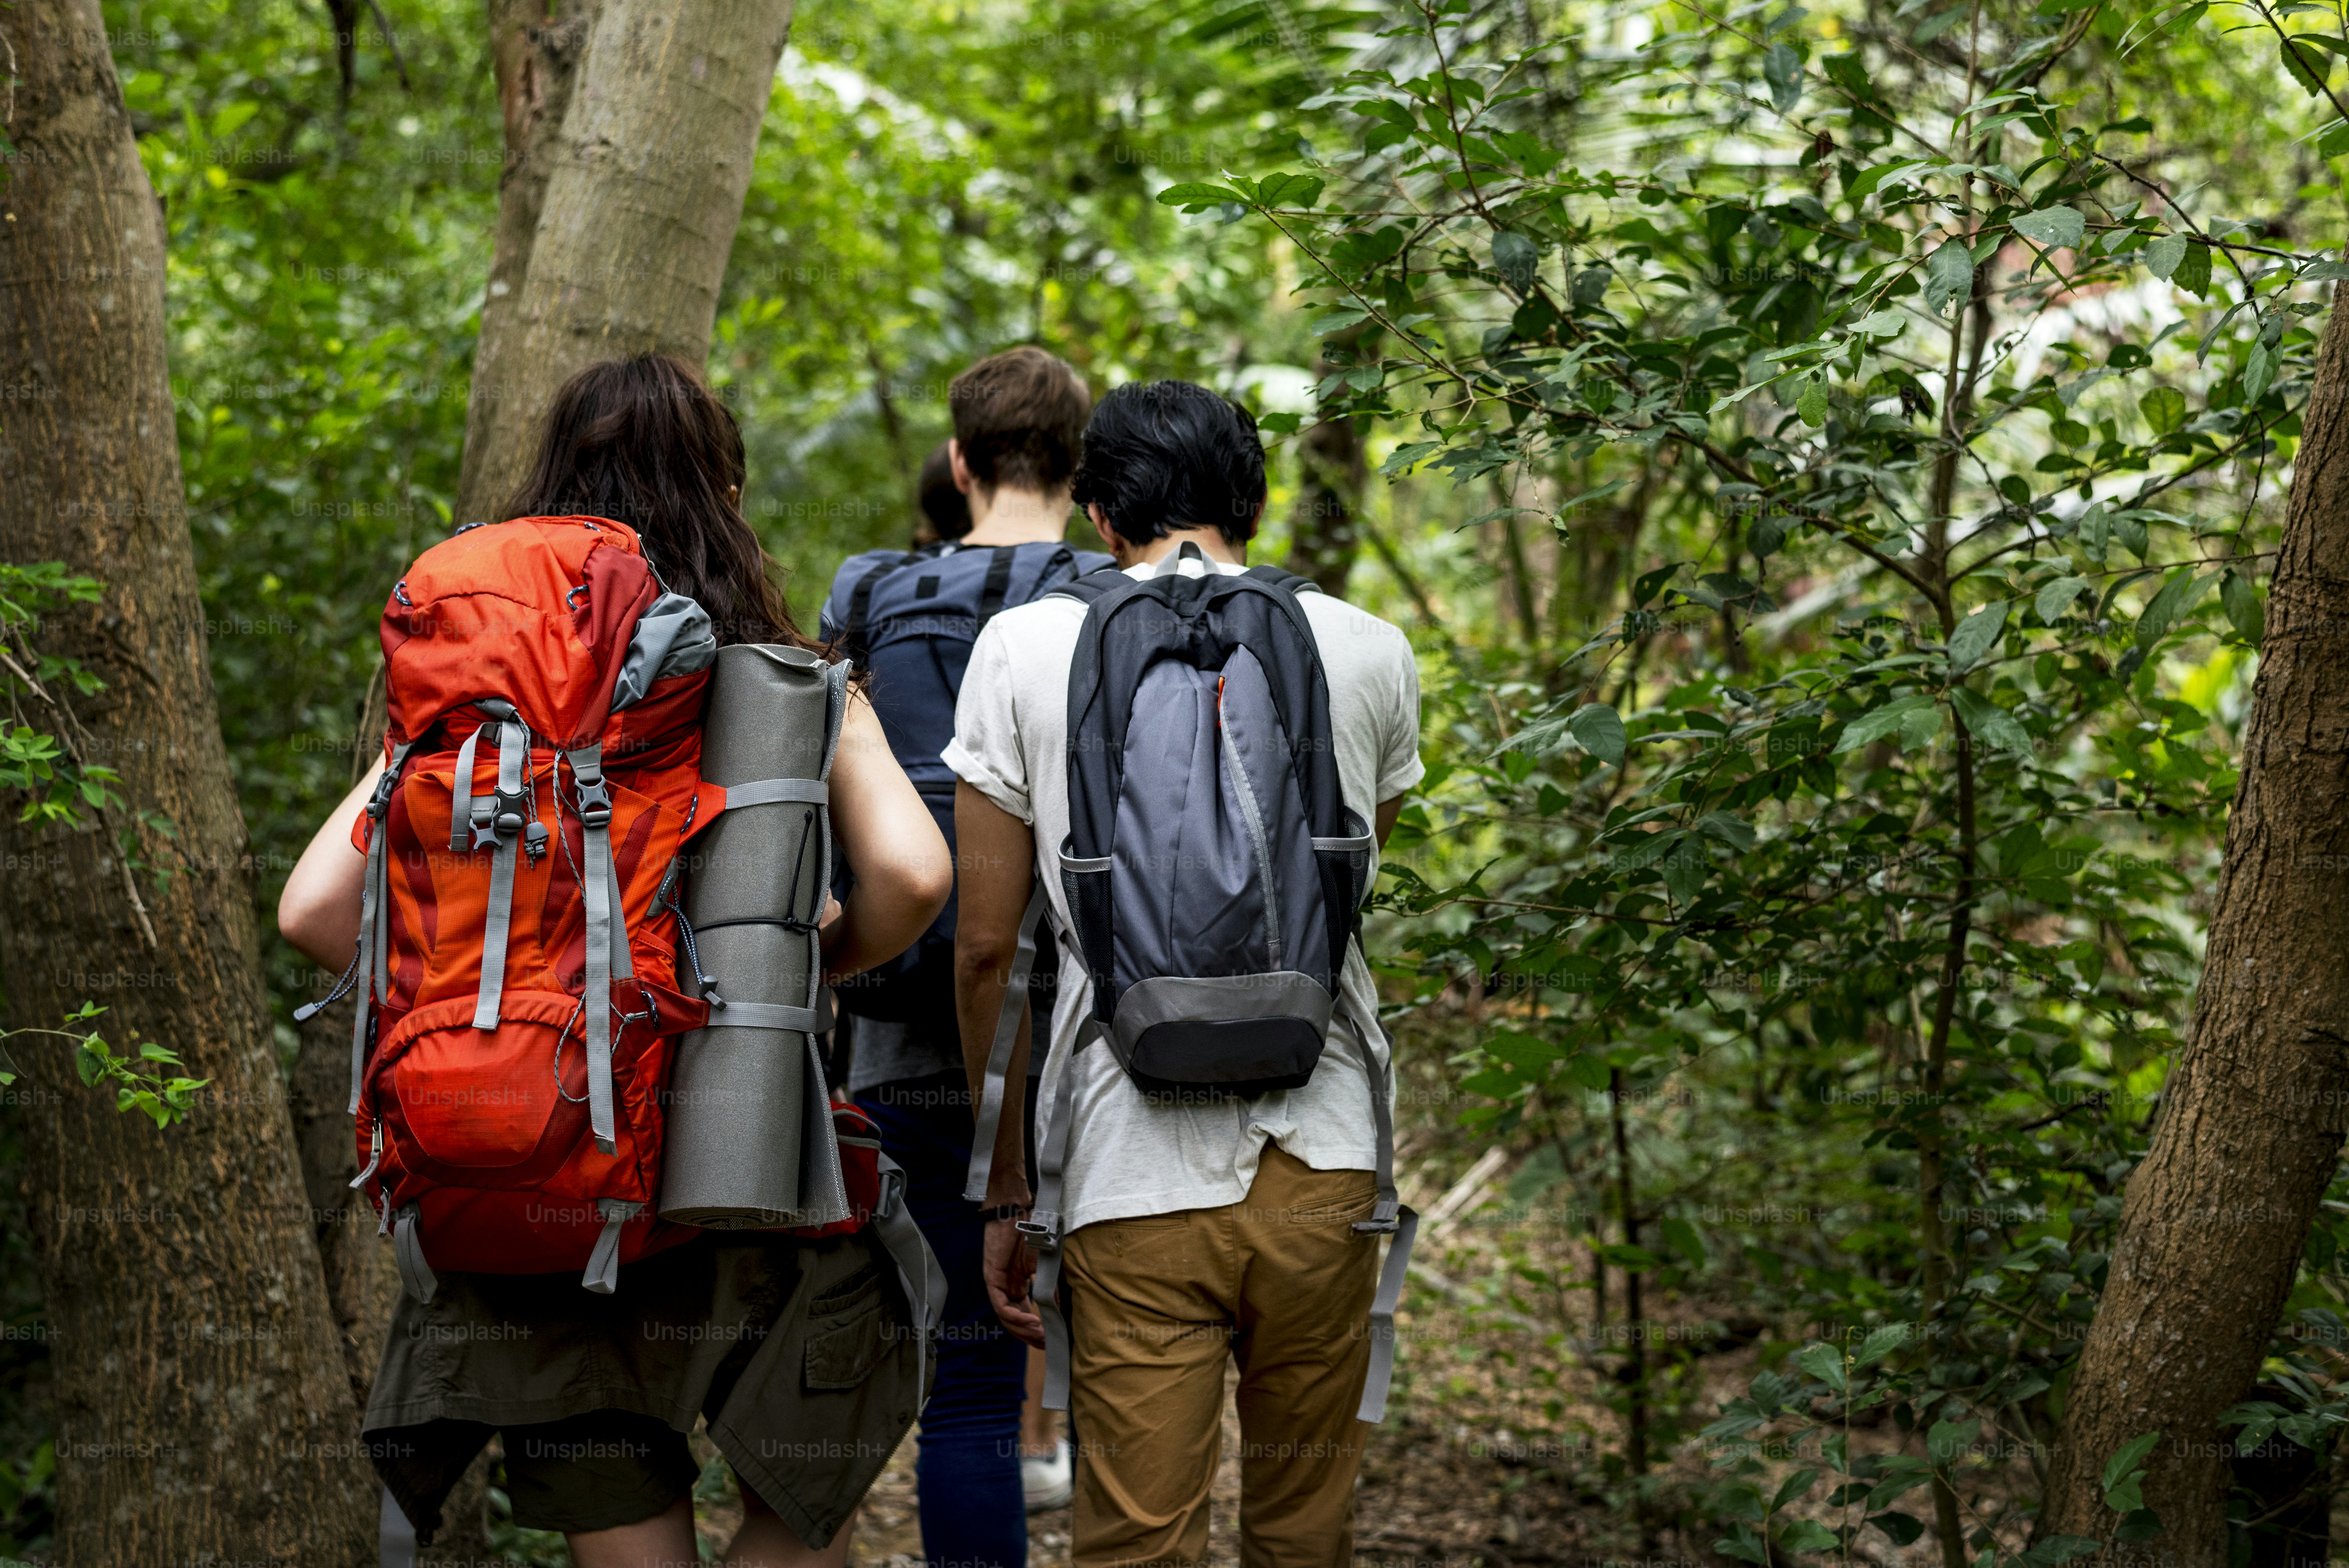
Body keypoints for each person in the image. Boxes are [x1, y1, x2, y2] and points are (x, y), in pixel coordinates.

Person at [277, 353, 954, 1568]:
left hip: (549, 1170)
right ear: (724, 494)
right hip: (748, 1157)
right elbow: (913, 876)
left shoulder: (478, 717)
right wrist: (808, 975)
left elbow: (315, 911)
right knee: (810, 1478)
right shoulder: (792, 677)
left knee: (614, 1502)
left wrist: (488, 989)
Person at [945, 379, 1424, 1565]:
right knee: (1302, 1532)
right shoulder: (1370, 650)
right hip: (1326, 1157)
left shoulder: (1023, 647)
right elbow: (1344, 899)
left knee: (1137, 1544)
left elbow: (988, 950)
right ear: (1255, 503)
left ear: (1099, 515)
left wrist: (1008, 1188)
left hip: (1125, 1163)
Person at [820, 348, 1102, 1568]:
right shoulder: (1119, 595)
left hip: (900, 1024)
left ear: (959, 462)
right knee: (1137, 1371)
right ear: (1086, 473)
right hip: (1094, 1036)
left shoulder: (871, 592)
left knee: (972, 1389)